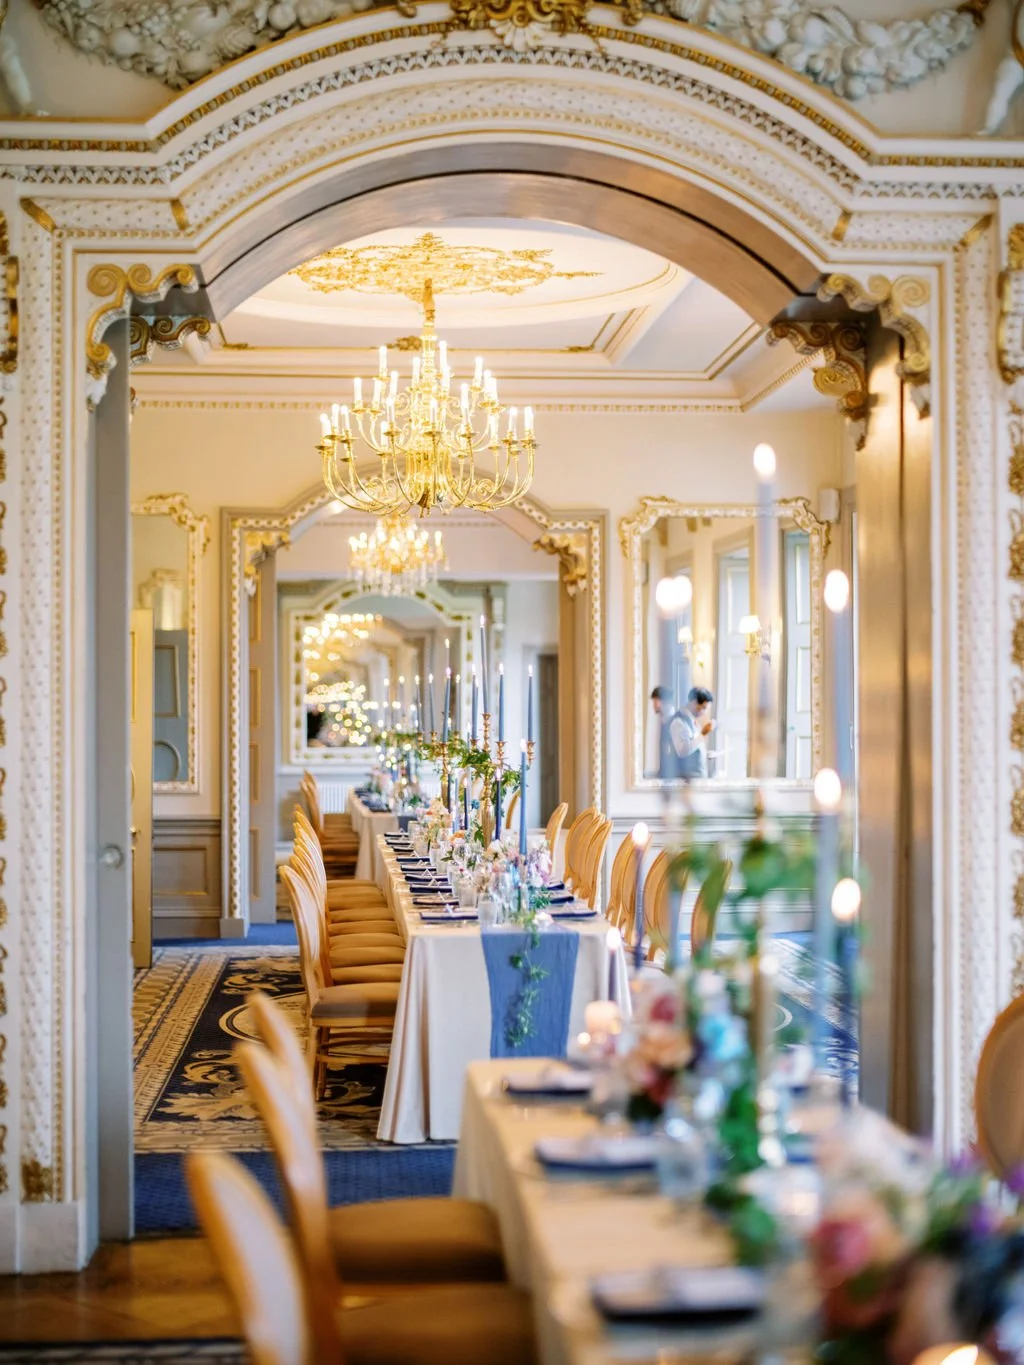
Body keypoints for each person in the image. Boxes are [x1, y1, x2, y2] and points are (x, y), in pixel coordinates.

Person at [650, 685, 715, 779]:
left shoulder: (692, 721)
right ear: (694, 703)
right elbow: (683, 750)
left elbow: (693, 744)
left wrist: (703, 753)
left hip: (697, 779)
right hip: (688, 781)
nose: (704, 712)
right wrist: (702, 734)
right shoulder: (678, 721)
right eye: (704, 708)